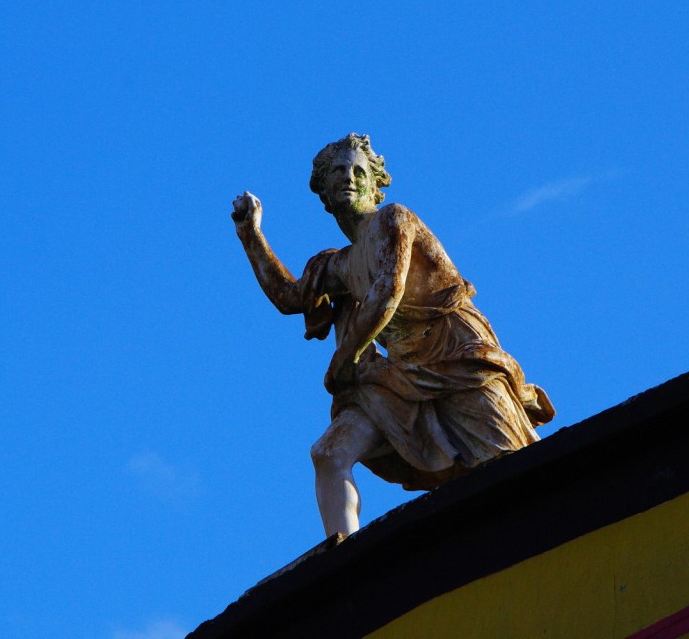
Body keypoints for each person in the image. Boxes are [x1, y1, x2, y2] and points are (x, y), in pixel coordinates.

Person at [232, 133, 554, 537]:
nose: (348, 177)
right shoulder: (343, 265)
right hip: (401, 374)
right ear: (324, 191)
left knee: (510, 467)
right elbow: (289, 296)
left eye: (358, 171)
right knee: (329, 453)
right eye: (338, 171)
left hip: (458, 355)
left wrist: (346, 356)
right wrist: (251, 236)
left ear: (374, 183)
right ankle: (343, 552)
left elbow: (388, 290)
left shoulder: (393, 219)